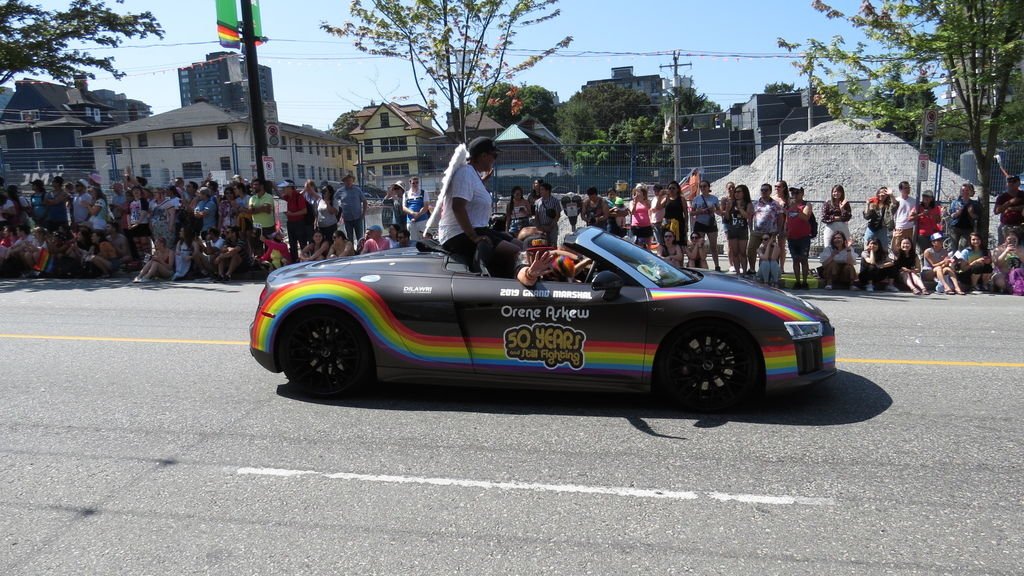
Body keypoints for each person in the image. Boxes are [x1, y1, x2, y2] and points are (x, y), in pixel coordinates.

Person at [433, 137, 519, 277]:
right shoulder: (465, 172)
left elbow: (473, 197)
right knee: (515, 251)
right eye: (494, 155)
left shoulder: (473, 174)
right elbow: (458, 207)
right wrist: (473, 237)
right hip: (459, 234)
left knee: (518, 243)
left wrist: (483, 181)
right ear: (483, 156)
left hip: (478, 228)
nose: (495, 159)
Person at [747, 183, 782, 274]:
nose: (763, 192)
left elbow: (780, 217)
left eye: (766, 190)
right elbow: (750, 217)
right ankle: (752, 269)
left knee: (770, 252)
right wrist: (751, 229)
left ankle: (769, 271)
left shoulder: (775, 204)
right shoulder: (755, 203)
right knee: (751, 250)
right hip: (757, 232)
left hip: (771, 232)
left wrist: (778, 229)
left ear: (770, 191)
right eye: (762, 190)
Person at [785, 186, 814, 289]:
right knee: (795, 260)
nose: (794, 195)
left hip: (803, 237)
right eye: (793, 193)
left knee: (804, 259)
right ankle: (797, 281)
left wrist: (796, 209)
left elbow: (806, 217)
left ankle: (805, 281)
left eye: (797, 193)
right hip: (792, 237)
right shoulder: (789, 206)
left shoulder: (806, 205)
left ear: (802, 193)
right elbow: (787, 220)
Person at [691, 180, 722, 271]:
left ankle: (717, 265)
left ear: (709, 187)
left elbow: (719, 211)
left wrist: (714, 210)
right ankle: (701, 264)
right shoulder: (696, 199)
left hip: (711, 224)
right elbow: (691, 213)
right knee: (700, 244)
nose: (703, 188)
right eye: (701, 186)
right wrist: (700, 211)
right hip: (700, 223)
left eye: (704, 186)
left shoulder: (714, 199)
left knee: (713, 246)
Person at [722, 183, 752, 275]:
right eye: (735, 192)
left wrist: (739, 208)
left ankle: (744, 272)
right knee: (735, 252)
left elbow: (747, 216)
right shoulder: (731, 203)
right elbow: (727, 218)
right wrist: (727, 210)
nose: (736, 193)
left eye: (738, 191)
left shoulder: (748, 203)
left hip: (742, 230)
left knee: (742, 252)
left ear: (744, 193)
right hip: (732, 230)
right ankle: (738, 273)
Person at [280, 180, 308, 262]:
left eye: (284, 187)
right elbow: (284, 209)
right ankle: (294, 261)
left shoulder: (298, 197)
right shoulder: (285, 197)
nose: (282, 189)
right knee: (292, 244)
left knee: (302, 243)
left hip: (299, 223)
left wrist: (292, 214)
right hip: (290, 223)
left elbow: (304, 211)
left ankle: (305, 260)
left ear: (290, 188)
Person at [947, 183, 979, 250]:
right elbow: (952, 215)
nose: (965, 192)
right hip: (955, 228)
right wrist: (958, 213)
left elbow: (976, 217)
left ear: (970, 192)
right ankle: (954, 260)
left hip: (967, 229)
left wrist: (971, 213)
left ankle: (961, 260)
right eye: (963, 190)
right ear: (960, 192)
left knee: (963, 247)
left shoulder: (974, 203)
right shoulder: (955, 202)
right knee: (953, 248)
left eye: (967, 190)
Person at [335, 173, 368, 240]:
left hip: (358, 217)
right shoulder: (340, 191)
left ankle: (360, 250)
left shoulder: (357, 190)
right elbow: (334, 200)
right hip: (347, 219)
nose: (349, 182)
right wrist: (338, 212)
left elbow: (365, 201)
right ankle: (351, 250)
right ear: (344, 181)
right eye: (347, 180)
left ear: (353, 181)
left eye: (350, 180)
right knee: (349, 237)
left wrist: (363, 213)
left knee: (360, 237)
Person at [994, 174, 1023, 244]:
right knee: (1003, 248)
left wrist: (1012, 208)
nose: (1011, 183)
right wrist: (1009, 203)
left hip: (1021, 226)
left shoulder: (1022, 195)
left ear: (1018, 183)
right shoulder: (1002, 197)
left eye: (1014, 181)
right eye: (1009, 181)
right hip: (1006, 226)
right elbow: (996, 211)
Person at [890, 181, 918, 254]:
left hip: (910, 227)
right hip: (899, 227)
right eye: (905, 188)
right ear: (900, 190)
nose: (908, 189)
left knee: (908, 247)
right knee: (897, 247)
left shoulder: (914, 201)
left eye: (908, 188)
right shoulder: (896, 200)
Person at [863, 186, 894, 251]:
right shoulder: (873, 203)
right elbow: (867, 216)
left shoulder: (889, 205)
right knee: (867, 244)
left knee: (883, 246)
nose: (881, 194)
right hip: (872, 228)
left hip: (882, 228)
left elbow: (895, 205)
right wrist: (867, 205)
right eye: (880, 193)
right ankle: (867, 259)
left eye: (883, 193)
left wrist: (891, 195)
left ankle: (883, 259)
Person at [534, 181, 561, 246]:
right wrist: (538, 227)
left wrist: (550, 226)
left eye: (542, 189)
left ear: (547, 191)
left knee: (553, 244)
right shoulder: (537, 202)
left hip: (552, 227)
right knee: (542, 245)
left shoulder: (555, 201)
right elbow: (536, 215)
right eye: (540, 190)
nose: (540, 191)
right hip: (542, 227)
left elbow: (557, 215)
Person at [662, 181, 687, 245]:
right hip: (668, 225)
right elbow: (658, 207)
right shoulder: (666, 198)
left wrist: (686, 225)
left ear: (677, 189)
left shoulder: (681, 199)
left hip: (679, 224)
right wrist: (660, 196)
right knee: (668, 243)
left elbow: (686, 213)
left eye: (673, 188)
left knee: (679, 243)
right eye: (669, 188)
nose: (671, 190)